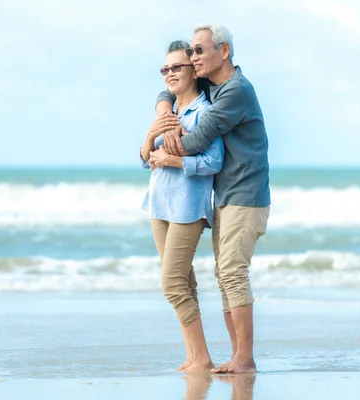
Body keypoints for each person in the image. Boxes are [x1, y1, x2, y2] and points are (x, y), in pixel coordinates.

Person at [155, 24, 271, 374]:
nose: (192, 58)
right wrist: (166, 113)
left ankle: (245, 359)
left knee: (233, 274)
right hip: (227, 195)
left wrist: (170, 139)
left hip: (246, 195)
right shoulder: (212, 84)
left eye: (199, 51)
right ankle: (237, 356)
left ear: (223, 51)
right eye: (190, 52)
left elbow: (198, 141)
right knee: (225, 275)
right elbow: (167, 91)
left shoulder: (234, 91)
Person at [140, 40, 224, 373]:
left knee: (172, 284)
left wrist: (174, 161)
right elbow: (147, 158)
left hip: (188, 207)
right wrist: (149, 140)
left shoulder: (205, 112)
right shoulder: (167, 111)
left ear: (193, 71)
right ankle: (194, 357)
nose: (170, 74)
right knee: (184, 283)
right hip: (158, 204)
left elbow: (213, 161)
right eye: (165, 69)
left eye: (177, 67)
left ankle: (201, 358)